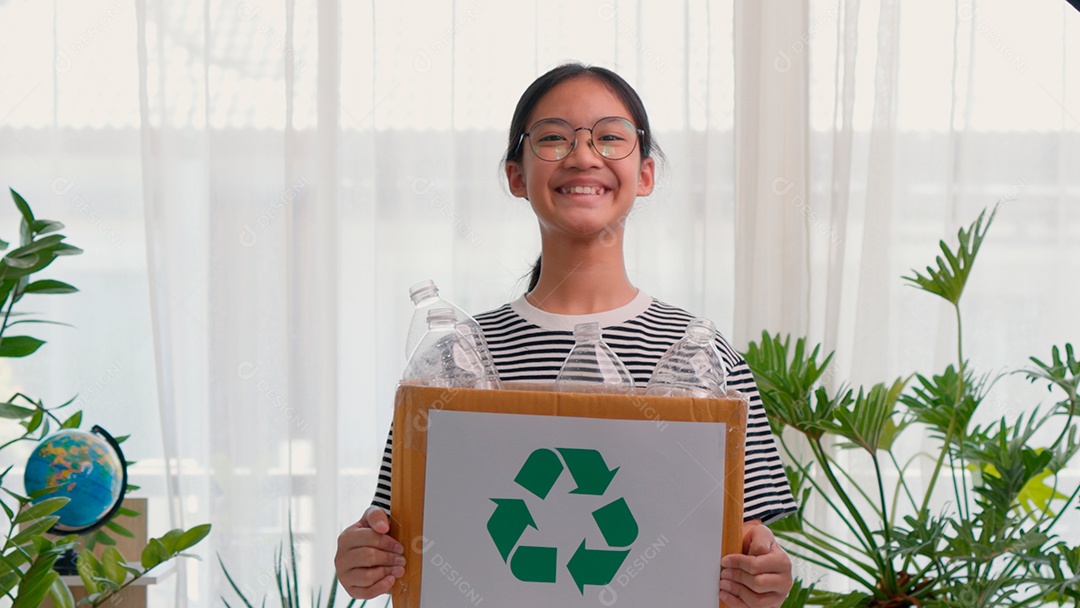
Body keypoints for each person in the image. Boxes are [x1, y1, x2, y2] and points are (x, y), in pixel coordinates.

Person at [335, 62, 798, 608]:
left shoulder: (699, 351)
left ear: (645, 174)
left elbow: (744, 540)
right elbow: (401, 526)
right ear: (515, 175)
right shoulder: (458, 355)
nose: (583, 155)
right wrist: (362, 560)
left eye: (610, 137)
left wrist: (768, 575)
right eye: (554, 138)